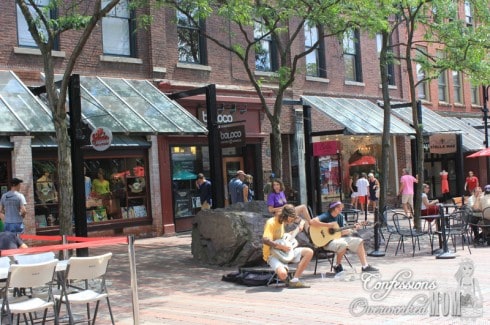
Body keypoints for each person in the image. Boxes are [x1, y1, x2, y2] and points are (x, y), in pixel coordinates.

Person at [309, 201, 379, 274]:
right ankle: (337, 265)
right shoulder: (326, 215)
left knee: (359, 241)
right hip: (326, 242)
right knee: (343, 244)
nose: (341, 209)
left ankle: (365, 266)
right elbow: (312, 221)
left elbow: (341, 232)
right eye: (339, 207)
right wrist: (328, 225)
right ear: (334, 208)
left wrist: (353, 229)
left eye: (341, 207)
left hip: (337, 239)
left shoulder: (340, 216)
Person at [262, 204, 313, 288]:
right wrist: (282, 247)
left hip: (284, 251)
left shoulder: (282, 222)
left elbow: (284, 238)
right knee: (282, 274)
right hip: (272, 254)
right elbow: (265, 240)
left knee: (309, 252)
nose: (291, 221)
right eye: (291, 219)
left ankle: (294, 280)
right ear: (286, 216)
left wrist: (297, 230)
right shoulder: (271, 222)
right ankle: (285, 274)